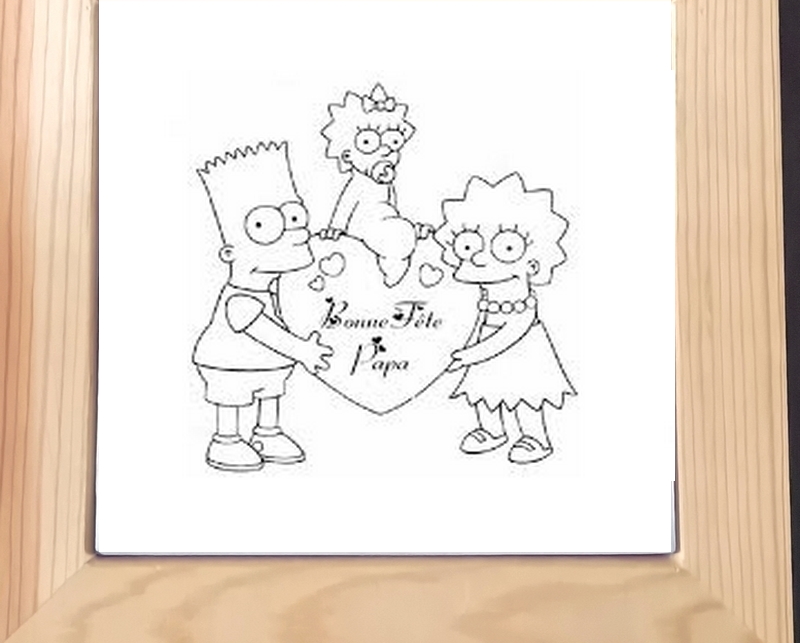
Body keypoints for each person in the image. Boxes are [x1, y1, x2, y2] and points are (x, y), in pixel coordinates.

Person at [193, 141, 332, 472]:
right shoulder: (240, 300)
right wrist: (302, 350)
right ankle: (226, 439)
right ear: (230, 254)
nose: (295, 231)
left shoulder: (271, 290)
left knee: (270, 390)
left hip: (266, 363)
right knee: (232, 398)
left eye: (296, 217)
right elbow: (267, 333)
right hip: (228, 365)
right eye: (265, 226)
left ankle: (267, 432)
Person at [434, 173, 575, 464]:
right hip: (485, 346)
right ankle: (492, 431)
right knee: (484, 392)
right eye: (468, 246)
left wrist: (471, 354)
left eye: (506, 248)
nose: (480, 258)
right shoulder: (487, 297)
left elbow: (513, 332)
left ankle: (535, 437)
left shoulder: (523, 306)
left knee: (525, 396)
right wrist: (470, 347)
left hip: (522, 351)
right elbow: (479, 322)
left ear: (533, 264)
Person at [320, 83, 431, 287]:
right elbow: (345, 205)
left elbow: (390, 206)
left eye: (393, 142)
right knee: (395, 235)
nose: (386, 150)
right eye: (369, 143)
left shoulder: (385, 183)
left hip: (385, 223)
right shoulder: (357, 183)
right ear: (347, 155)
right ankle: (395, 265)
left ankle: (404, 243)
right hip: (363, 227)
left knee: (398, 231)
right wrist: (336, 228)